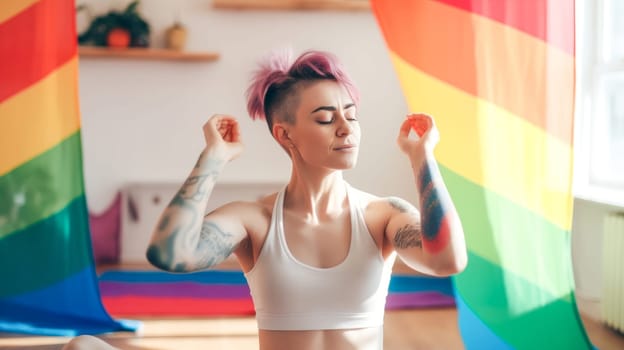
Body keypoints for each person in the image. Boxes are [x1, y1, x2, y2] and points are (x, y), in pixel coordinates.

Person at [64, 49, 467, 350]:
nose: (346, 128)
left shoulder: (384, 216)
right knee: (83, 346)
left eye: (351, 114)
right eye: (326, 118)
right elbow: (169, 254)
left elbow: (448, 259)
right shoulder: (253, 221)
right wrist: (212, 158)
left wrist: (422, 157)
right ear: (284, 134)